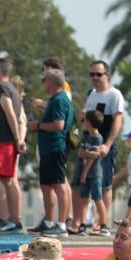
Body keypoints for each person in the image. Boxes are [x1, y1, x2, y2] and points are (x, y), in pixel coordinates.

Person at [27, 68, 73, 236]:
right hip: (48, 148)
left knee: (59, 185)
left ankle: (61, 224)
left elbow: (59, 125)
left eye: (44, 79)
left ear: (52, 82)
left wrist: (38, 125)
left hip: (55, 147)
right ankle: (49, 221)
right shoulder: (54, 99)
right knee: (46, 185)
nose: (43, 83)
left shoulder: (60, 100)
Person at [84, 60, 125, 231]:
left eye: (98, 74)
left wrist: (107, 144)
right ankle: (87, 221)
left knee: (105, 183)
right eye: (92, 74)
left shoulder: (114, 95)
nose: (95, 78)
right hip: (90, 145)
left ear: (106, 75)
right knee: (88, 183)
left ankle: (103, 223)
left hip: (105, 145)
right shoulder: (92, 94)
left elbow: (117, 120)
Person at [0, 59, 25, 233]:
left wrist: (17, 139)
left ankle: (5, 217)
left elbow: (10, 113)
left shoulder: (3, 89)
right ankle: (15, 219)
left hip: (3, 141)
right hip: (7, 141)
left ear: (0, 70)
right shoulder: (13, 90)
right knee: (8, 180)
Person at [72, 110, 108, 236]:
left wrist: (84, 173)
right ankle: (82, 225)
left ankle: (104, 225)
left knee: (97, 199)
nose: (84, 123)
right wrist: (92, 153)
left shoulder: (98, 138)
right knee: (84, 199)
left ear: (90, 122)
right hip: (86, 172)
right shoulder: (87, 137)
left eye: (86, 120)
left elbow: (93, 158)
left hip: (94, 173)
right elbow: (81, 153)